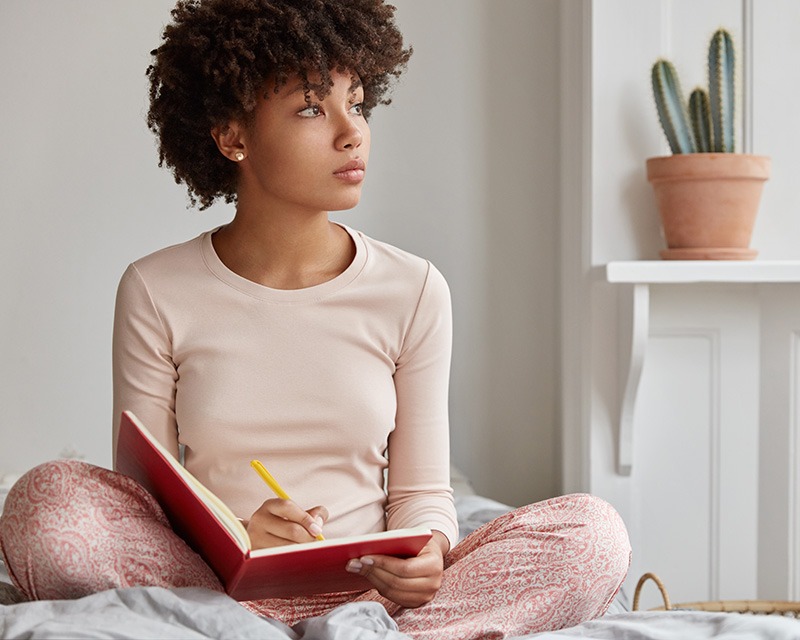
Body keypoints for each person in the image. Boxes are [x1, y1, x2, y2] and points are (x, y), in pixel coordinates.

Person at [0, 1, 631, 638]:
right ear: (232, 137)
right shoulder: (155, 289)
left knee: (592, 536)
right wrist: (239, 536)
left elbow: (421, 495)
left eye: (356, 102)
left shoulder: (414, 289)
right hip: (213, 587)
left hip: (376, 597)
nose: (351, 131)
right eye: (311, 108)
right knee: (46, 505)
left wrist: (431, 553)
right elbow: (145, 503)